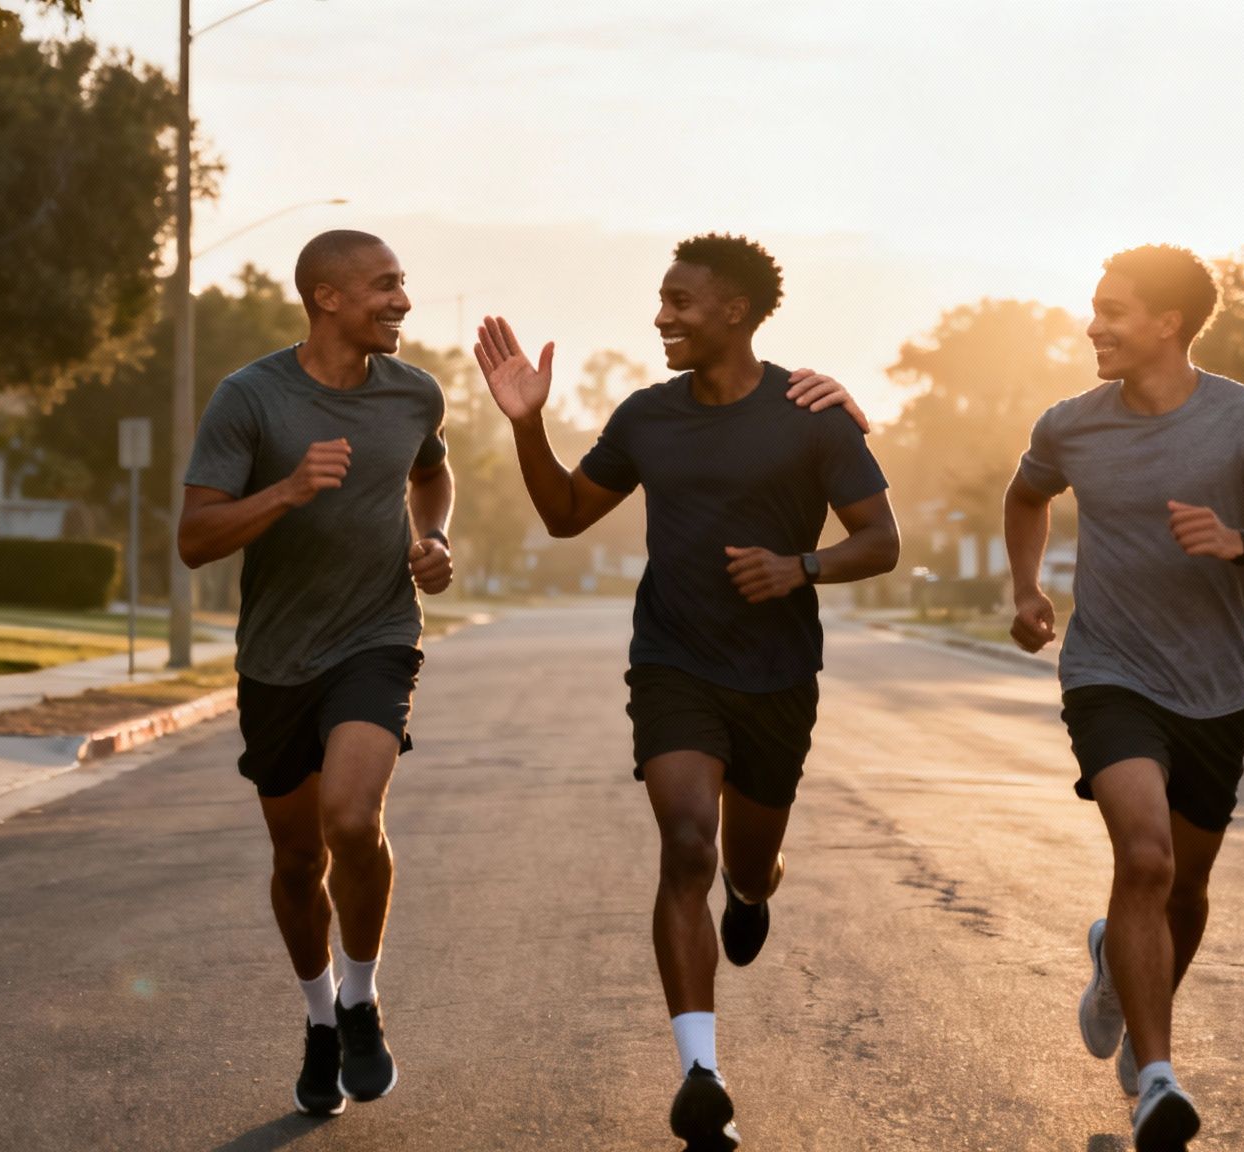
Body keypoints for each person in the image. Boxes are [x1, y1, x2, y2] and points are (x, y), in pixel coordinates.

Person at [473, 233, 898, 1150]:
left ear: (735, 311)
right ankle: (701, 1071)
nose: (661, 316)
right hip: (674, 661)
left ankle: (753, 894)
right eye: (660, 301)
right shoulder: (646, 417)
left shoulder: (811, 414)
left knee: (744, 863)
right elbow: (563, 516)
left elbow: (882, 541)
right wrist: (524, 423)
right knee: (682, 842)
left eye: (680, 302)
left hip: (778, 674)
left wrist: (800, 566)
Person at [1003, 245, 1244, 1151]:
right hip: (1108, 668)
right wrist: (1028, 590)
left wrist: (1241, 544)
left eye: (1112, 310)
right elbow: (1025, 494)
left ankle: (1119, 965)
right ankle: (1158, 1078)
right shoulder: (1071, 424)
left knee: (1185, 890)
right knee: (1143, 858)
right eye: (1093, 306)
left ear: (1168, 324)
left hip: (1214, 689)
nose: (1093, 325)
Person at [177, 230, 454, 1117]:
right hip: (275, 659)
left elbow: (432, 472)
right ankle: (319, 1021)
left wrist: (434, 536)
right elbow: (194, 538)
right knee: (297, 859)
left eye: (403, 284)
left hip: (377, 635)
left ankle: (363, 996)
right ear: (327, 297)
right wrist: (288, 492)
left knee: (349, 817)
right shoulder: (250, 398)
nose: (402, 301)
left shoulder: (414, 393)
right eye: (384, 286)